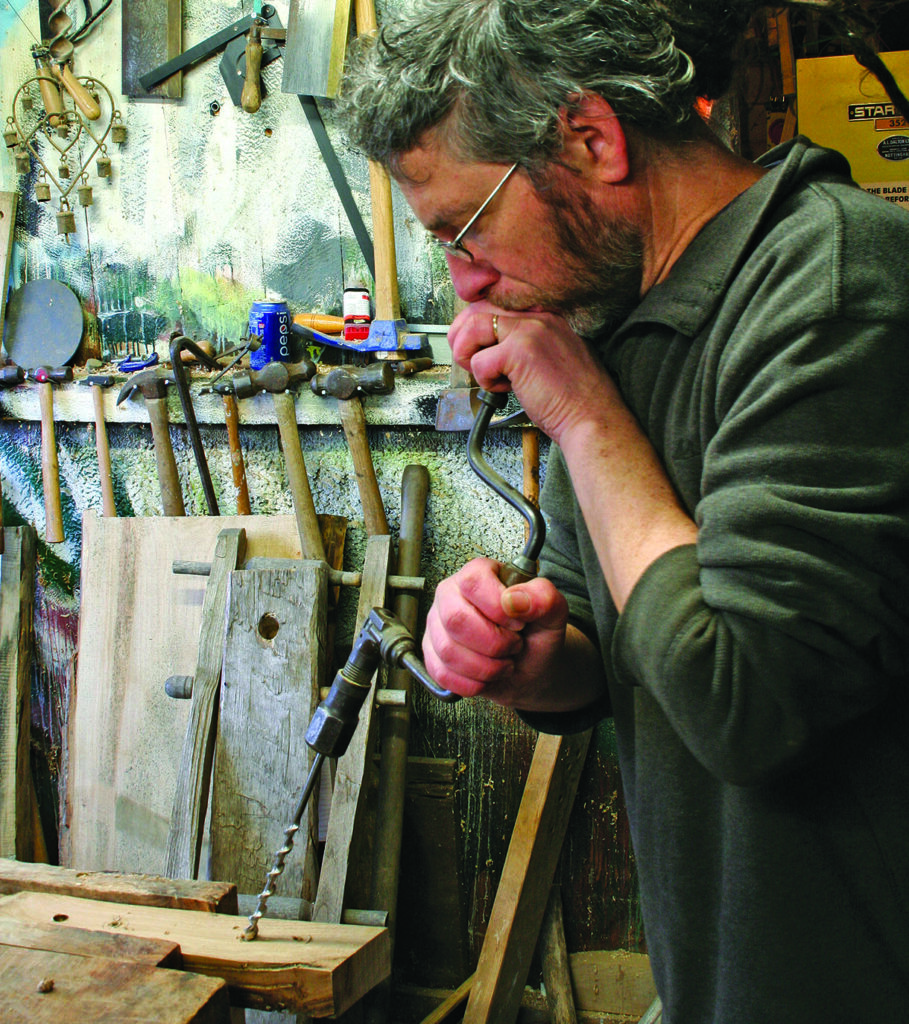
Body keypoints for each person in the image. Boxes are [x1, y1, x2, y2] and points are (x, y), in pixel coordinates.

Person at [340, 1, 909, 1020]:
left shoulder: (835, 288)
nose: (465, 283)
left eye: (461, 231)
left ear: (592, 139)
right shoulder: (618, 325)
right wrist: (526, 655)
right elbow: (610, 638)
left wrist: (589, 423)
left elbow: (746, 701)